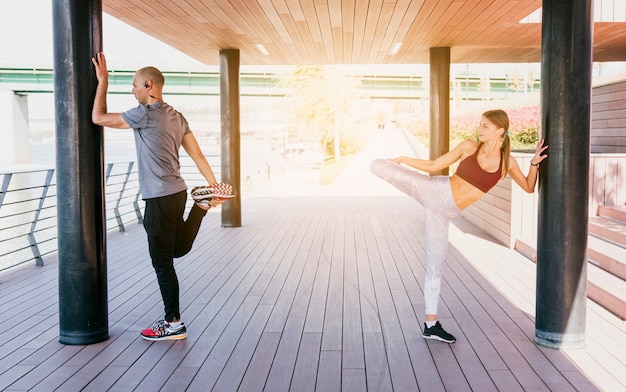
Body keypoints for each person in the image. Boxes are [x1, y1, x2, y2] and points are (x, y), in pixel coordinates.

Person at [370, 109, 548, 343]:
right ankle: (383, 165)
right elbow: (434, 165)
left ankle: (431, 325)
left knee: (436, 265)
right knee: (377, 165)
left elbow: (527, 186)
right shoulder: (468, 147)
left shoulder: (507, 163)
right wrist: (402, 159)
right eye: (480, 124)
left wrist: (534, 163)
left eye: (485, 126)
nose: (479, 129)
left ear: (500, 131)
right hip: (433, 189)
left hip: (442, 214)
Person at [91, 52, 232, 341]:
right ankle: (201, 205)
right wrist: (214, 185)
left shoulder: (143, 114)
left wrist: (102, 81)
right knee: (175, 251)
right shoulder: (177, 117)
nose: (132, 92)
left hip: (157, 197)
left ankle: (173, 323)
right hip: (177, 192)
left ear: (148, 84)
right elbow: (198, 155)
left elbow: (98, 118)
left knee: (162, 263)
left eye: (133, 86)